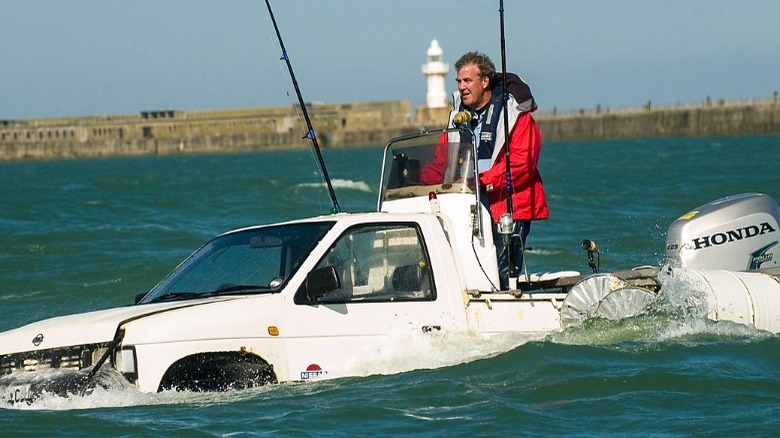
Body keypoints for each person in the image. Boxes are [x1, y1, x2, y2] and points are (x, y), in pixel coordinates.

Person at [424, 51, 549, 290]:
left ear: (485, 82)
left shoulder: (514, 114)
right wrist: (419, 179)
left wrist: (481, 182)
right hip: (466, 204)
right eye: (458, 81)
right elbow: (442, 161)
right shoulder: (457, 117)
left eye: (467, 81)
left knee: (501, 273)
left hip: (508, 205)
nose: (462, 87)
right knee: (460, 266)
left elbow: (522, 163)